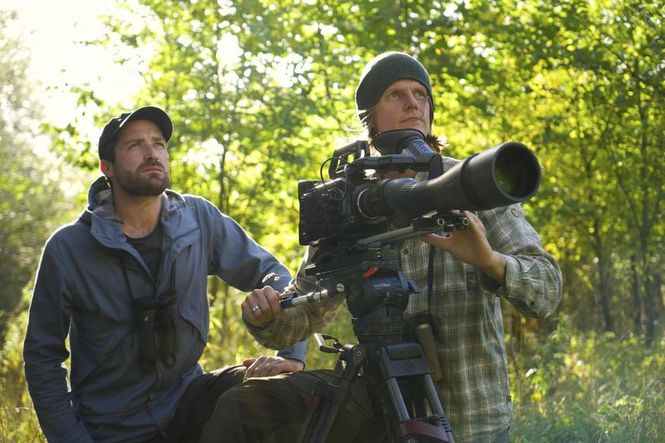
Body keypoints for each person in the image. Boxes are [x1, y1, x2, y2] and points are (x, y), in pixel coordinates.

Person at [201, 52, 563, 443]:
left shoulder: (472, 184)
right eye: (396, 95)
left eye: (421, 95)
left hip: (469, 420)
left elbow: (546, 290)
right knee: (239, 407)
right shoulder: (350, 201)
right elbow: (302, 313)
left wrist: (489, 261)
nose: (413, 104)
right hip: (375, 409)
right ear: (370, 118)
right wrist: (265, 315)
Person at [23, 106, 306, 443]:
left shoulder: (197, 219)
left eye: (158, 143)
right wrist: (71, 438)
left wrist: (289, 356)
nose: (152, 153)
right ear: (107, 168)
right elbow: (43, 358)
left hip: (190, 401)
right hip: (112, 429)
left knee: (291, 393)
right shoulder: (69, 248)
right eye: (135, 145)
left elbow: (273, 274)